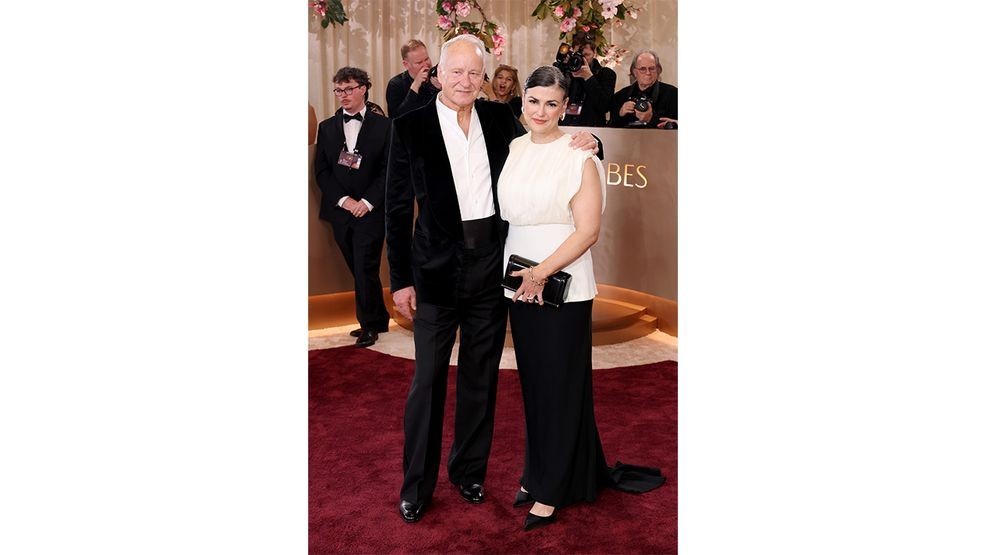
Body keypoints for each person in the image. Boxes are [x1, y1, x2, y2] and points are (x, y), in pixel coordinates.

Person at [386, 34, 602, 524]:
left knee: (480, 378)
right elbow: (396, 211)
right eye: (456, 72)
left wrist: (595, 142)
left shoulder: (500, 118)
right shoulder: (409, 126)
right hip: (434, 274)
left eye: (474, 73)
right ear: (438, 74)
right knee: (427, 382)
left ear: (484, 78)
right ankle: (416, 486)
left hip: (491, 268)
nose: (465, 81)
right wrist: (401, 279)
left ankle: (468, 473)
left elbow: (549, 142)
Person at [498, 65, 666, 531]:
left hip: (562, 285)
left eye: (552, 103)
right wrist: (524, 277)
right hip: (518, 283)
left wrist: (541, 273)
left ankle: (553, 488)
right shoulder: (514, 147)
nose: (540, 111)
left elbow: (588, 231)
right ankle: (540, 472)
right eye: (534, 101)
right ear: (523, 100)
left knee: (561, 386)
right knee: (535, 385)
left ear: (565, 107)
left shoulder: (580, 156)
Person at [313, 67, 391, 347]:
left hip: (371, 211)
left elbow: (388, 170)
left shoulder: (385, 126)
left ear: (363, 89)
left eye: (348, 89)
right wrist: (344, 201)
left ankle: (368, 325)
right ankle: (379, 317)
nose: (343, 95)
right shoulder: (326, 127)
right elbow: (322, 171)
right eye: (338, 90)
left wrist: (367, 203)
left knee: (365, 266)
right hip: (340, 211)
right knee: (358, 268)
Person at [609, 50, 678, 129]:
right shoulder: (620, 96)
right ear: (634, 72)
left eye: (652, 68)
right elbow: (610, 129)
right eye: (642, 69)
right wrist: (620, 114)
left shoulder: (673, 94)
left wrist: (651, 118)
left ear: (658, 70)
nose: (648, 73)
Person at [561, 41, 617, 127]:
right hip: (567, 126)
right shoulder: (568, 73)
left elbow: (605, 106)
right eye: (577, 55)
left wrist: (588, 77)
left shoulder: (606, 74)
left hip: (593, 128)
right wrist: (563, 69)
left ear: (594, 53)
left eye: (586, 55)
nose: (582, 59)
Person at [386, 39, 442, 118]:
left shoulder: (437, 76)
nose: (425, 65)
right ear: (406, 64)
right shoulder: (396, 84)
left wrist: (442, 91)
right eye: (419, 62)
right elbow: (396, 118)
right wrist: (415, 85)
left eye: (426, 59)